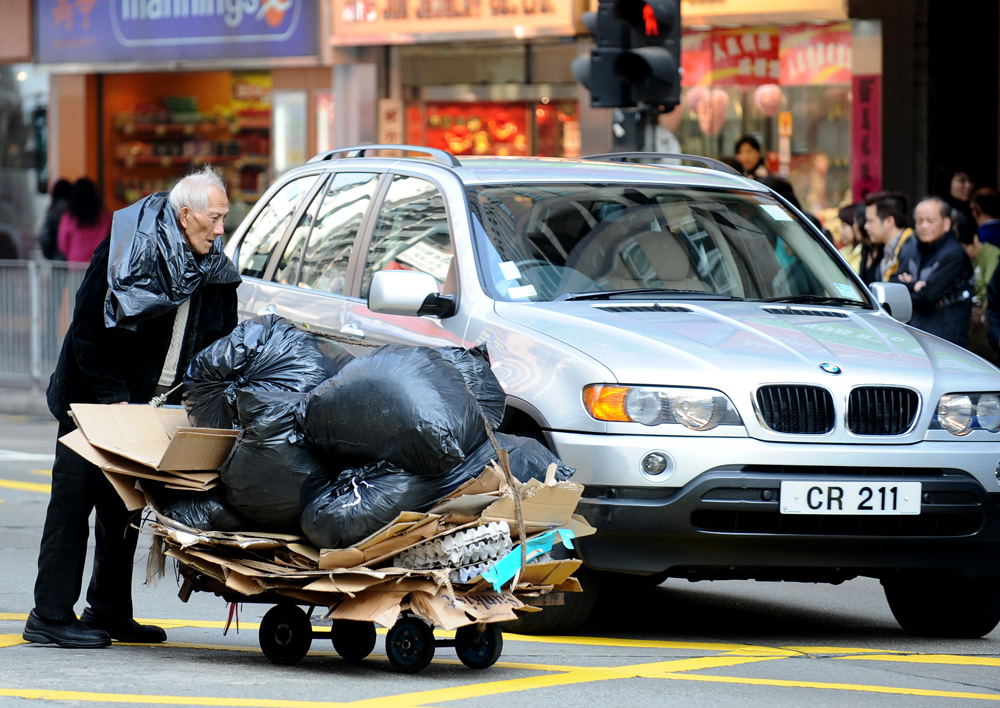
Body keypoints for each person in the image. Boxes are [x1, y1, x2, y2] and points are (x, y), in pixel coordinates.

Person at [23, 166, 241, 649]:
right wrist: (113, 398)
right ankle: (49, 614)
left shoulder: (212, 263)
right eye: (215, 219)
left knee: (123, 507)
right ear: (186, 216)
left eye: (225, 218)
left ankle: (109, 609)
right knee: (73, 501)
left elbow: (221, 338)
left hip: (149, 402)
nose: (221, 228)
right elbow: (87, 329)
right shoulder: (130, 246)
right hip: (93, 398)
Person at [893, 196, 974, 347]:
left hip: (946, 339)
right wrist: (916, 286)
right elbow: (893, 282)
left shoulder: (954, 255)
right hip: (915, 334)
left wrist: (911, 286)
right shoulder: (910, 247)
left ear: (946, 223)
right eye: (919, 221)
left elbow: (927, 297)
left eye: (930, 221)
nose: (924, 226)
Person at [733, 134, 803, 211]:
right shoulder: (735, 179)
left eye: (749, 151)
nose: (745, 156)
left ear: (759, 153)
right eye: (740, 152)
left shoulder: (774, 184)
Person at [58, 178, 113, 265]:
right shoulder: (103, 216)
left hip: (75, 264)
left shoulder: (69, 217)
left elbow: (63, 244)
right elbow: (109, 239)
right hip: (97, 264)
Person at [864, 191, 913, 282]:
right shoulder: (887, 250)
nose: (866, 226)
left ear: (889, 221)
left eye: (870, 221)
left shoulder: (911, 249)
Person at [39, 178, 72, 261]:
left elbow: (45, 236)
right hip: (75, 257)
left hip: (57, 257)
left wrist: (48, 254)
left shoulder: (53, 211)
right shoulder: (75, 210)